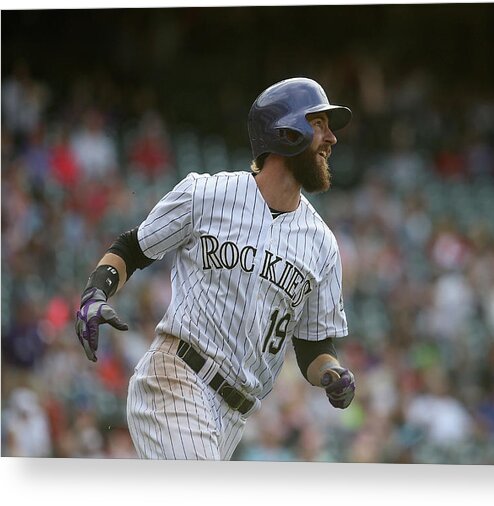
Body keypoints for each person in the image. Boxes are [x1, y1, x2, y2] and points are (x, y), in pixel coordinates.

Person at [74, 77, 356, 460]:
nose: (331, 138)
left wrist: (330, 373)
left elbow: (313, 347)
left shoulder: (321, 243)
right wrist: (96, 292)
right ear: (286, 132)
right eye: (319, 124)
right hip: (176, 378)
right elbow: (133, 247)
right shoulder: (208, 195)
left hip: (234, 417)